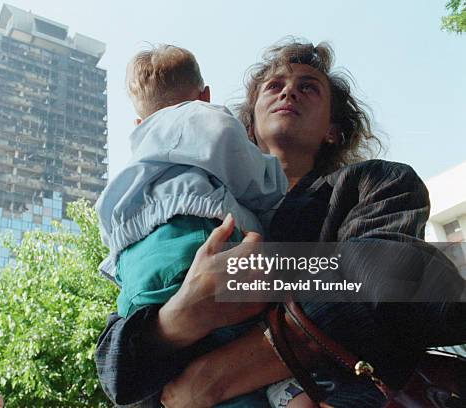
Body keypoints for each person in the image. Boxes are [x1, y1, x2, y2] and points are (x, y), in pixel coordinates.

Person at [95, 39, 466, 408]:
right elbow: (115, 370)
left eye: (308, 86)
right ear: (249, 126)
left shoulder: (376, 183)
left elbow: (393, 273)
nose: (288, 90)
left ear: (333, 129)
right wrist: (181, 316)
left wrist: (212, 377)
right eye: (274, 86)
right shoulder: (197, 213)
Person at [95, 44, 288, 406]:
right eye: (274, 87)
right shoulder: (206, 116)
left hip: (136, 273)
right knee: (231, 332)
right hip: (195, 243)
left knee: (168, 368)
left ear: (139, 123)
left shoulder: (134, 162)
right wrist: (273, 186)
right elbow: (247, 175)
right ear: (205, 96)